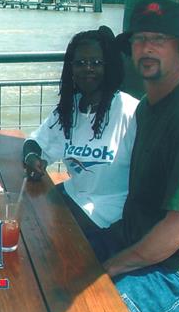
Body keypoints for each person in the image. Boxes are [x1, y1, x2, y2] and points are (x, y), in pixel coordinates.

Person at [89, 0, 179, 312]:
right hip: (139, 239)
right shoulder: (147, 107)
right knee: (53, 259)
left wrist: (112, 266)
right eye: (140, 40)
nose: (147, 48)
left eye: (159, 39)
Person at [23, 26, 139, 233]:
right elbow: (34, 142)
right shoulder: (69, 109)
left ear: (109, 66)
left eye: (96, 63)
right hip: (73, 198)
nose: (88, 69)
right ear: (71, 69)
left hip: (111, 214)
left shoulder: (130, 111)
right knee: (24, 217)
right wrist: (32, 158)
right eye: (80, 63)